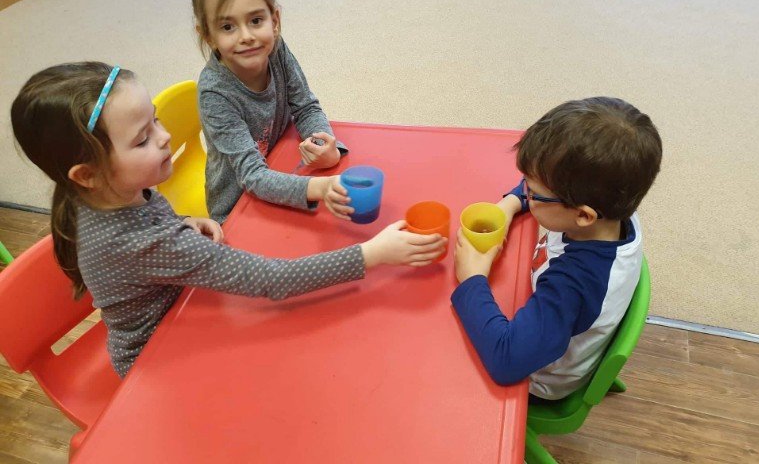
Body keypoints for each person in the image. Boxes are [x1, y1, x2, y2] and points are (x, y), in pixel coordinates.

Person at [11, 62, 446, 377]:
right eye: (143, 139)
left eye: (156, 122)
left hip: (187, 309)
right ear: (86, 175)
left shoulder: (107, 192)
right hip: (159, 361)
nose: (164, 137)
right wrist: (373, 253)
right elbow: (274, 280)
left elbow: (150, 229)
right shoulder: (144, 244)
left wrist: (183, 221)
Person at [451, 97, 662, 399]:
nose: (525, 190)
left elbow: (506, 361)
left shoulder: (572, 285)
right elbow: (548, 184)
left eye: (532, 192)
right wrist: (509, 206)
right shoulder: (613, 203)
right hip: (548, 325)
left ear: (583, 215)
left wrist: (471, 278)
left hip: (538, 378)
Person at [193, 0, 349, 223]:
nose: (247, 37)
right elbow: (253, 177)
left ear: (274, 20)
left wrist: (325, 146)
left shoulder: (274, 46)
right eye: (228, 27)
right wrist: (321, 187)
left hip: (284, 165)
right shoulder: (214, 94)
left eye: (256, 21)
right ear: (208, 36)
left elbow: (305, 106)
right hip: (237, 205)